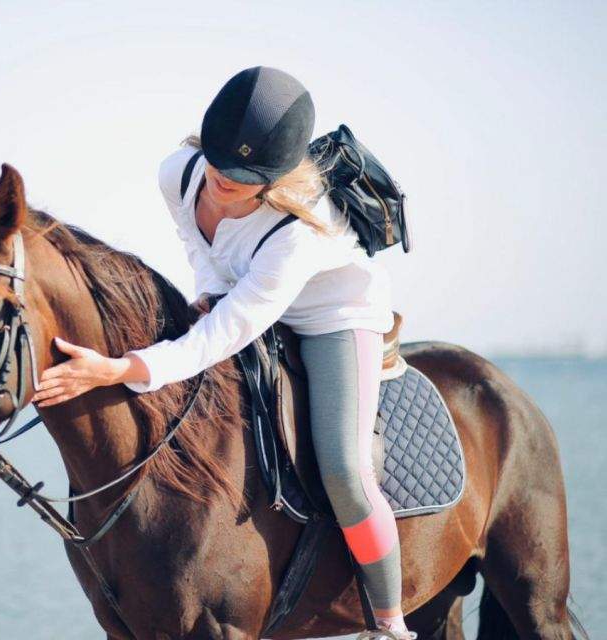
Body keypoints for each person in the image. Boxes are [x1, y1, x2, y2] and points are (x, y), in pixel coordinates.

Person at [33, 66, 411, 639]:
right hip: (244, 292)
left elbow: (228, 331)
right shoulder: (178, 173)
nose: (222, 181)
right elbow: (198, 242)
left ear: (274, 178)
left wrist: (122, 368)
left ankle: (389, 623)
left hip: (333, 317)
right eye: (218, 164)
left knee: (343, 469)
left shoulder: (300, 232)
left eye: (241, 178)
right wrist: (211, 288)